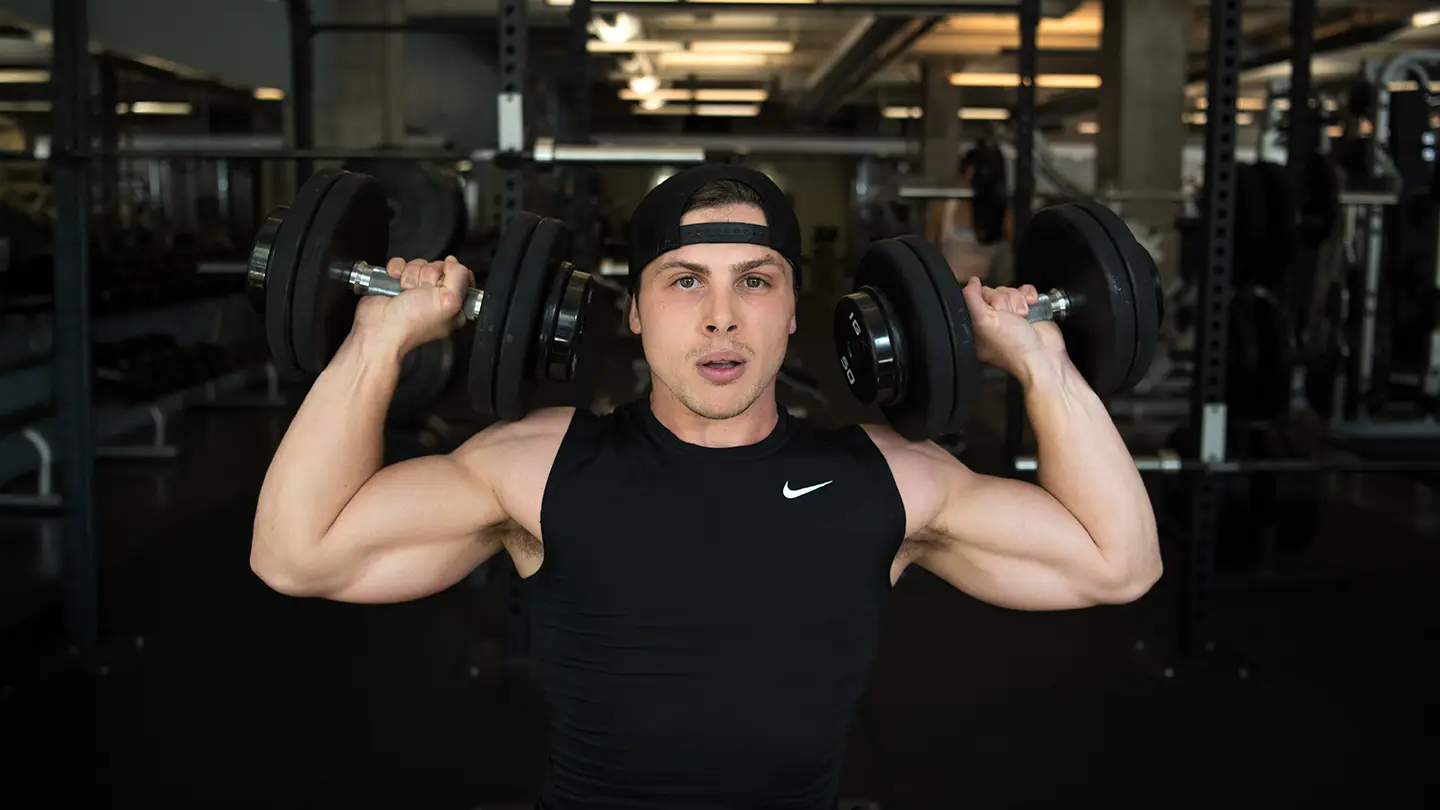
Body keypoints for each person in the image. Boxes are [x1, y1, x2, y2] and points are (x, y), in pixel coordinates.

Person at [251, 165, 1161, 809]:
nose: (722, 315)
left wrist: (1044, 364)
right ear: (636, 311)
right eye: (686, 281)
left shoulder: (888, 477)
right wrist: (378, 339)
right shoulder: (539, 464)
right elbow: (298, 554)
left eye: (755, 282)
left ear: (797, 311)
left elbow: (1115, 565)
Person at [925, 144, 1015, 286]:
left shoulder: (1002, 212)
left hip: (985, 288)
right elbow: (927, 254)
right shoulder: (943, 207)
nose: (977, 176)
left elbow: (1019, 249)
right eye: (974, 170)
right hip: (948, 286)